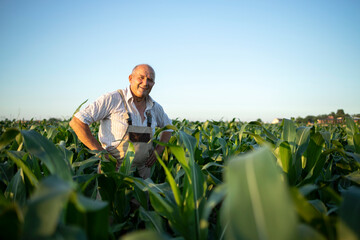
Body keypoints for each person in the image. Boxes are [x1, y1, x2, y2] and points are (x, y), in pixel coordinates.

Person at [69, 64, 172, 179]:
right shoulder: (113, 99)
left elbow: (169, 127)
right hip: (113, 171)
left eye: (150, 80)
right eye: (141, 77)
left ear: (153, 84)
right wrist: (100, 153)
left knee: (143, 197)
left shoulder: (155, 107)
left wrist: (159, 149)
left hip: (143, 175)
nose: (145, 83)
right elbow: (77, 122)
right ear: (130, 78)